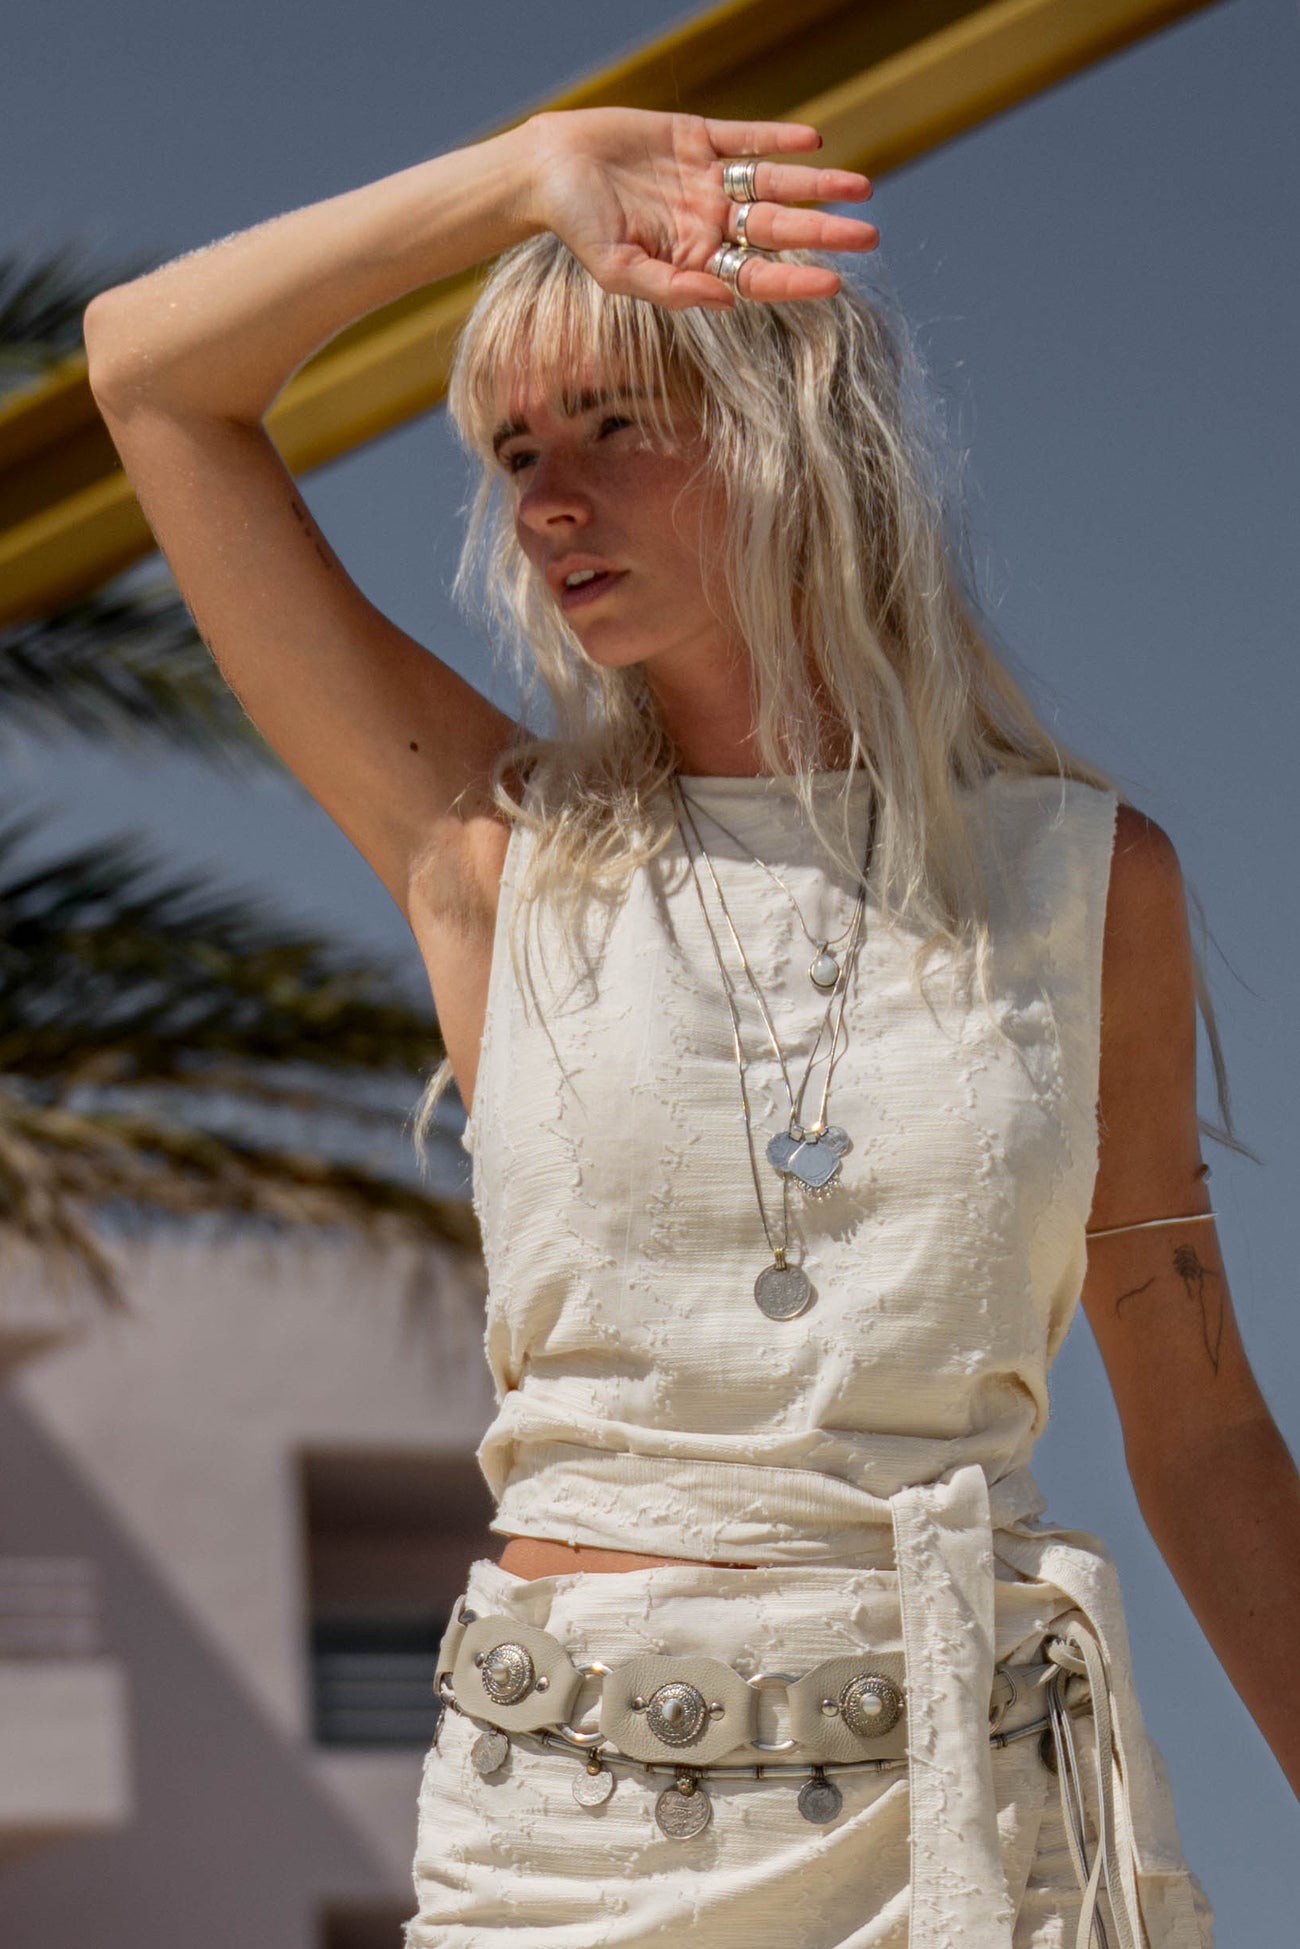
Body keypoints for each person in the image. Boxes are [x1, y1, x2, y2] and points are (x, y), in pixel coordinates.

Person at [83, 105, 1298, 1948]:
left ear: (786, 431)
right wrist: (524, 173)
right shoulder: (494, 854)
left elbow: (1201, 1430)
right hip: (564, 1844)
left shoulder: (1085, 880)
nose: (546, 500)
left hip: (977, 1835)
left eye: (611, 426)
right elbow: (149, 375)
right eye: (515, 451)